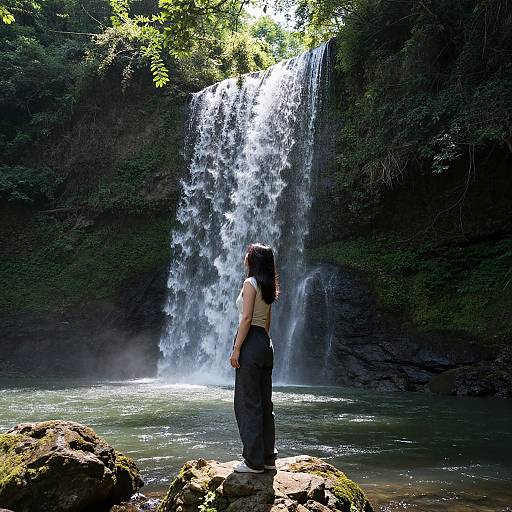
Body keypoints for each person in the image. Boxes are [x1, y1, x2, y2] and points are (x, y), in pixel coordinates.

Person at [229, 243, 280, 473]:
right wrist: (262, 344)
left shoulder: (250, 283)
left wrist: (237, 348)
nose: (244, 256)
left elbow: (246, 318)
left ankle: (253, 461)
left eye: (248, 254)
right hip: (265, 343)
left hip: (250, 341)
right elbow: (266, 322)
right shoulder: (269, 287)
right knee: (264, 403)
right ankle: (268, 458)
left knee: (247, 402)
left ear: (253, 259)